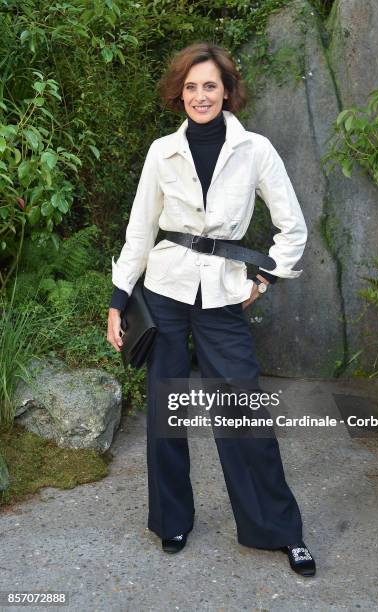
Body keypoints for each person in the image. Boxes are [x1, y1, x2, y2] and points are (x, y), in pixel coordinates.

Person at [106, 42, 316, 577]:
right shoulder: (161, 152)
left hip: (223, 295)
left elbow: (293, 226)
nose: (201, 95)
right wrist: (119, 296)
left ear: (228, 90)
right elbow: (139, 229)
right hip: (166, 292)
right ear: (182, 93)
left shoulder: (256, 150)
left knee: (243, 411)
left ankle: (278, 529)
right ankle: (171, 520)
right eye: (192, 86)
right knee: (167, 413)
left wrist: (265, 277)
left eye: (211, 86)